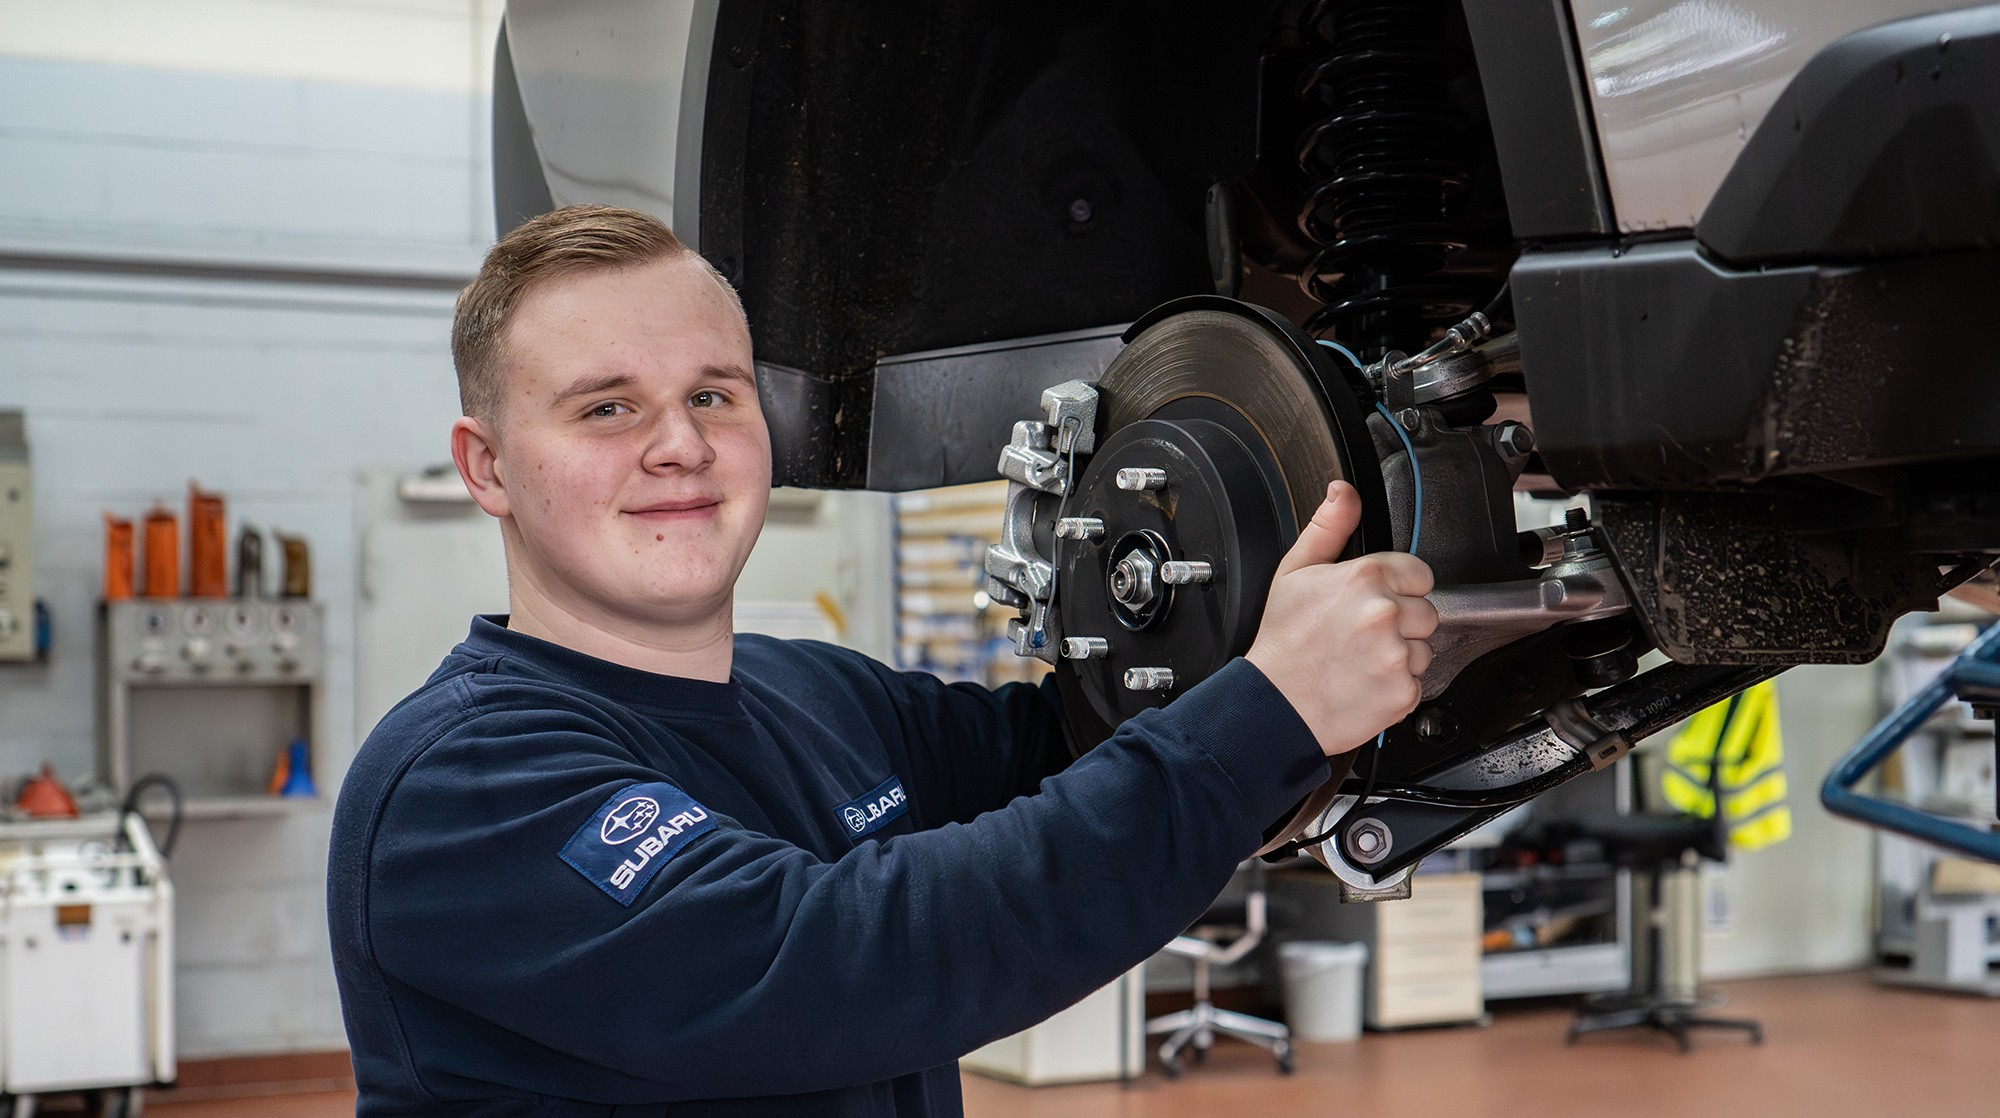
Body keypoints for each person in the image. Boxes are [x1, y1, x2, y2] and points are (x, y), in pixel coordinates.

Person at [328, 204, 1437, 1117]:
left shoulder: (814, 692)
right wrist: (1267, 710)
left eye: (711, 394)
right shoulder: (458, 786)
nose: (679, 444)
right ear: (487, 467)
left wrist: (1285, 622)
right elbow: (842, 964)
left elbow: (1077, 743)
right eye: (606, 407)